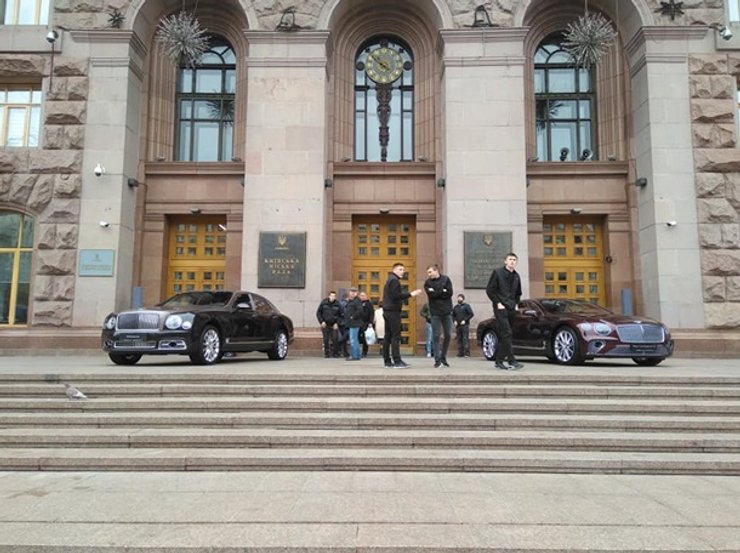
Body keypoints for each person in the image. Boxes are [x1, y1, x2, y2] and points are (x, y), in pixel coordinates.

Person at [486, 252, 524, 370]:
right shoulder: (497, 273)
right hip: (500, 308)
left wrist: (516, 304)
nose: (512, 261)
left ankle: (499, 361)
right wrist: (498, 303)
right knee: (507, 332)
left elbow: (518, 293)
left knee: (506, 335)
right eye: (510, 259)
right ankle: (512, 360)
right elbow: (490, 290)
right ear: (505, 261)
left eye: (514, 260)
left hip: (511, 308)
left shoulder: (517, 276)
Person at [382, 263, 422, 368]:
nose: (403, 271)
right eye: (400, 269)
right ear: (394, 270)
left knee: (388, 336)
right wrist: (411, 294)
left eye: (403, 269)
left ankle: (387, 361)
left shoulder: (389, 279)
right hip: (393, 311)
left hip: (387, 311)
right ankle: (397, 361)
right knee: (395, 336)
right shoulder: (394, 280)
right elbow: (396, 296)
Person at [424, 264, 454, 368]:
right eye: (428, 272)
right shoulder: (427, 283)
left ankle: (443, 357)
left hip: (447, 311)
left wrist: (437, 291)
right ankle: (437, 359)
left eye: (430, 272)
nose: (429, 274)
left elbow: (449, 293)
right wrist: (442, 290)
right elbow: (432, 295)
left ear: (436, 271)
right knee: (436, 335)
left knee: (448, 335)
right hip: (435, 312)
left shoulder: (446, 279)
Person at [316, 291, 342, 358]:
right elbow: (318, 313)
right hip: (325, 324)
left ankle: (335, 353)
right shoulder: (324, 303)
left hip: (334, 325)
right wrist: (322, 321)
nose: (332, 297)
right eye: (331, 296)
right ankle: (327, 353)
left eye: (334, 296)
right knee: (326, 339)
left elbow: (341, 315)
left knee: (335, 339)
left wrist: (337, 323)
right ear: (329, 296)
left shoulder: (338, 304)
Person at [343, 287, 363, 361]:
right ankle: (357, 355)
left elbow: (360, 310)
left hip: (354, 323)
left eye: (354, 292)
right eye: (351, 292)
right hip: (351, 323)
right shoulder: (351, 301)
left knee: (353, 340)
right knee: (355, 339)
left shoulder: (357, 301)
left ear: (356, 293)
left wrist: (353, 316)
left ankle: (354, 355)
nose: (352, 293)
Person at [359, 291, 375, 357]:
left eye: (364, 295)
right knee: (358, 337)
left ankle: (364, 351)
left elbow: (371, 313)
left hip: (366, 323)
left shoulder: (369, 303)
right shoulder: (358, 303)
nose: (362, 297)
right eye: (361, 295)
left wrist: (370, 322)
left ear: (366, 296)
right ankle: (357, 351)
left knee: (365, 337)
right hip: (358, 322)